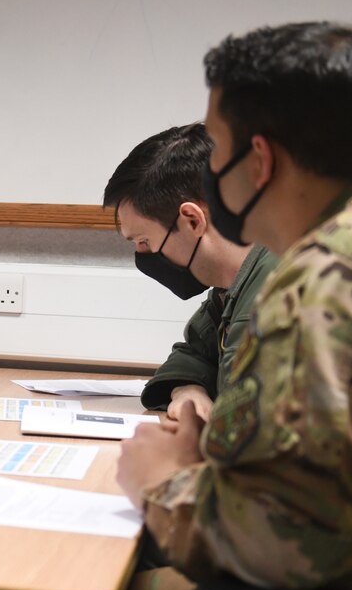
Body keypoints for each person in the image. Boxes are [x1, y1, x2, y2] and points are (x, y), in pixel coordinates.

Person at [0, 21, 352, 590]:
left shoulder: (336, 284)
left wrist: (163, 482)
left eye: (219, 152)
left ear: (260, 160)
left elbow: (287, 549)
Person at [103, 123, 276, 421]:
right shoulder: (230, 288)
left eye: (145, 241)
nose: (142, 255)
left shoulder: (278, 288)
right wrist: (187, 389)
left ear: (192, 220)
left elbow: (253, 424)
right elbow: (193, 353)